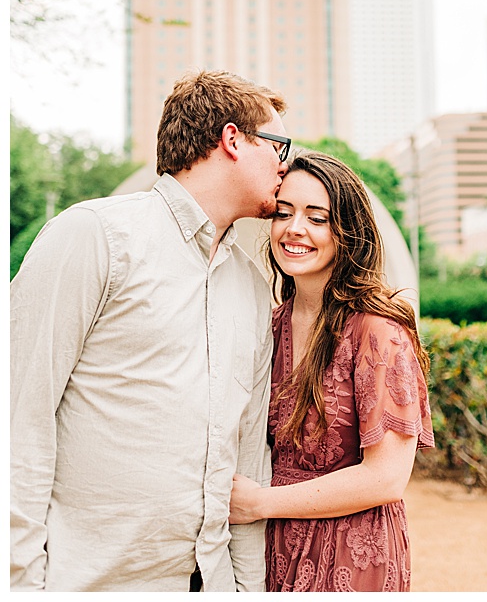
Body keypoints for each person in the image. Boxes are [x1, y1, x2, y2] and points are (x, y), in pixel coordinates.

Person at [10, 70, 288, 591]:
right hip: (88, 583)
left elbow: (249, 454)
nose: (285, 163)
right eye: (277, 144)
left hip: (210, 582)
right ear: (232, 139)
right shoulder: (92, 236)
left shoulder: (251, 286)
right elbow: (18, 417)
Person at [227, 150, 433, 592]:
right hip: (275, 548)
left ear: (348, 233)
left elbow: (387, 477)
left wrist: (260, 502)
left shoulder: (378, 331)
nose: (294, 229)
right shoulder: (271, 323)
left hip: (351, 553)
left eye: (317, 218)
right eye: (284, 213)